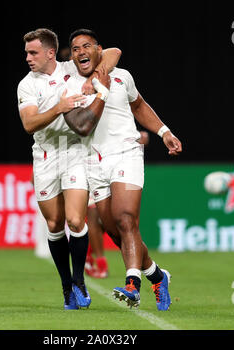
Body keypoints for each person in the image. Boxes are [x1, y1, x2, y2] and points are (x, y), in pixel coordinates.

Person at [63, 29, 182, 311]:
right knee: (116, 232)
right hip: (95, 162)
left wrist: (164, 131)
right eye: (75, 48)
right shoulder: (69, 87)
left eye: (86, 46)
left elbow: (138, 104)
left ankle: (133, 286)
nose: (81, 51)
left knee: (126, 218)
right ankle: (156, 275)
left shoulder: (121, 76)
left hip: (127, 154)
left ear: (98, 50)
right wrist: (98, 89)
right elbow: (82, 126)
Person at [17, 28, 121, 310]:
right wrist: (59, 108)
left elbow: (113, 52)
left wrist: (96, 78)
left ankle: (78, 281)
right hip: (46, 155)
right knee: (54, 224)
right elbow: (29, 124)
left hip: (75, 151)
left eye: (33, 52)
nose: (28, 57)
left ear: (51, 52)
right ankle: (66, 287)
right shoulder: (26, 85)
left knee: (76, 220)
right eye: (27, 52)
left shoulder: (73, 69)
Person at [85, 131, 150, 279]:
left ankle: (150, 274)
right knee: (99, 220)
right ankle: (96, 261)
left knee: (125, 224)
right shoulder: (87, 113)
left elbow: (143, 135)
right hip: (94, 165)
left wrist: (161, 132)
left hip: (124, 167)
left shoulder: (121, 114)